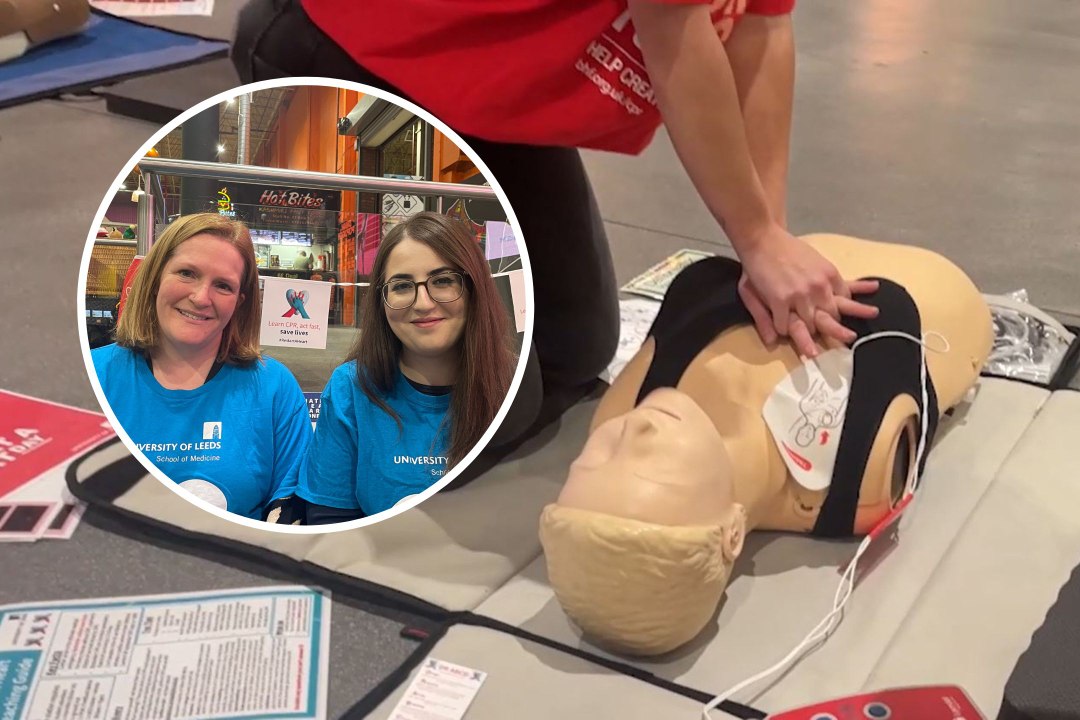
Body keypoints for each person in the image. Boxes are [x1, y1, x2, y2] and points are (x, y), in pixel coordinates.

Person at [231, 0, 879, 450]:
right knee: (468, 421)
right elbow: (675, 32)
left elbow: (762, 31)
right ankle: (254, 314)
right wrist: (757, 239)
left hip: (481, 89)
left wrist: (772, 237)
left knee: (572, 353)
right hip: (351, 55)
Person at [540, 233, 994, 655]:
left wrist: (761, 236)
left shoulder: (625, 407)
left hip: (783, 242)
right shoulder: (854, 480)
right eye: (647, 466)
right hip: (944, 281)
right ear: (730, 533)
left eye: (593, 461)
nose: (633, 432)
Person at [91, 213, 312, 521]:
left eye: (223, 286)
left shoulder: (273, 388)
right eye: (186, 273)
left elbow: (291, 509)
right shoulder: (94, 376)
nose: (200, 297)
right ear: (154, 279)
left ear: (239, 301)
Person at [297, 212, 516, 523]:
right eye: (401, 286)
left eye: (442, 281)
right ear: (381, 300)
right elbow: (329, 519)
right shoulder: (352, 387)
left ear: (473, 289)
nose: (423, 303)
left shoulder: (517, 387)